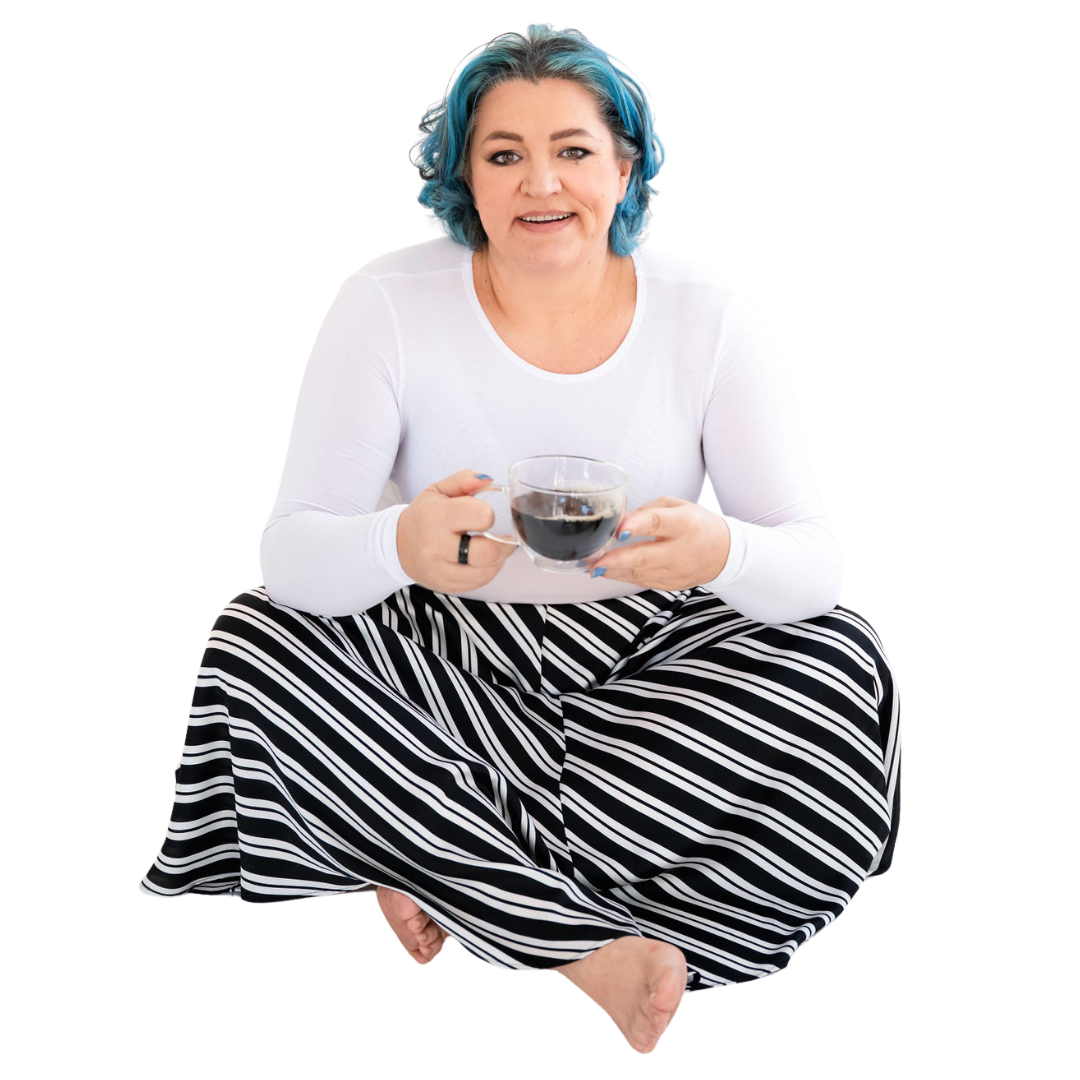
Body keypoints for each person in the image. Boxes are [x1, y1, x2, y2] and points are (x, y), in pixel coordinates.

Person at [139, 22, 901, 1056]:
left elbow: (816, 569)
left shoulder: (707, 312)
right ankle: (581, 946)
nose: (541, 183)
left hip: (648, 668)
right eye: (504, 154)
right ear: (465, 175)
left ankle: (433, 855)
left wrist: (722, 552)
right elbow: (293, 555)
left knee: (842, 664)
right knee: (251, 641)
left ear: (624, 169)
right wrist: (400, 545)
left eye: (573, 150)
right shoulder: (384, 303)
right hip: (436, 665)